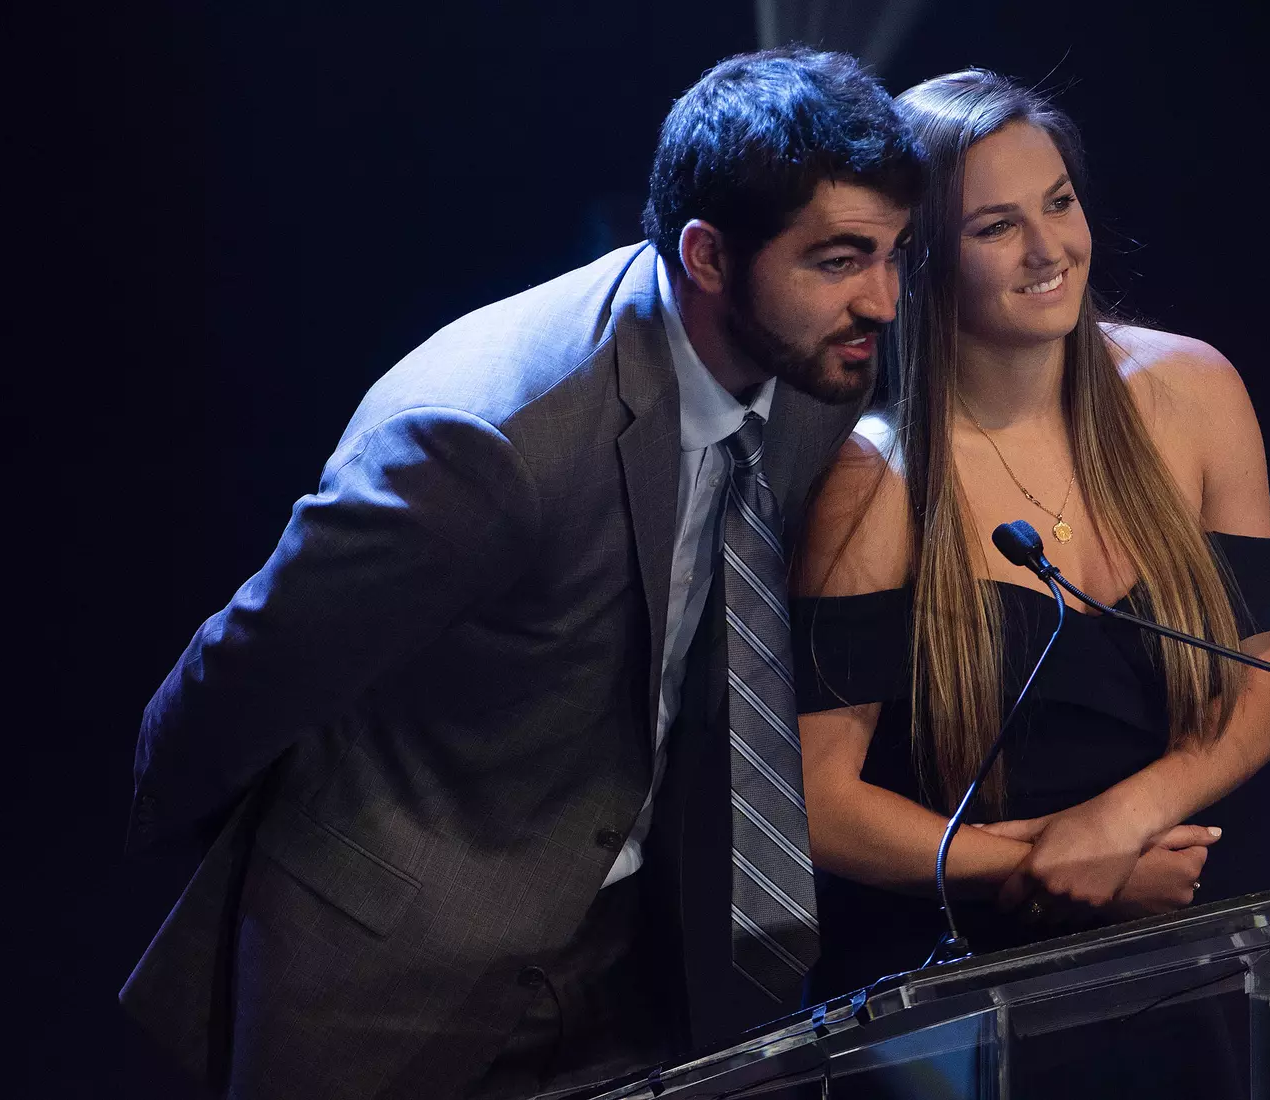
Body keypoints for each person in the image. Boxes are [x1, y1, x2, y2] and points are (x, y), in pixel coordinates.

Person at [121, 48, 923, 1100]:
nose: (884, 300)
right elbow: (234, 686)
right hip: (389, 970)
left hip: (630, 954)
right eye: (840, 258)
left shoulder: (814, 376)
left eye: (894, 253)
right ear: (710, 257)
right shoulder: (487, 440)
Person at [794, 68, 1270, 1010]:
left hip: (1185, 939)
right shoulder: (873, 480)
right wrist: (1042, 867)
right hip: (957, 987)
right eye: (996, 227)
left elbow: (1265, 681)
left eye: (1058, 202)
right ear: (922, 260)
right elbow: (821, 803)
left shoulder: (1196, 391)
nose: (1048, 247)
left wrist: (1123, 823)